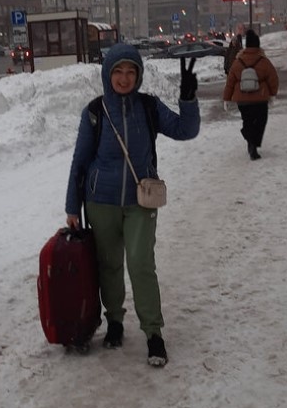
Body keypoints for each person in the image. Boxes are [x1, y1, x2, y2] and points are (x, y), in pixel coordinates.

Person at [64, 43, 200, 367]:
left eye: (131, 72)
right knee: (109, 265)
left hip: (140, 200)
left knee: (140, 264)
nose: (124, 78)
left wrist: (188, 98)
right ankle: (114, 321)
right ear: (107, 74)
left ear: (138, 76)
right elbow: (80, 162)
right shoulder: (95, 112)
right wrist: (72, 207)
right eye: (118, 72)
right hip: (101, 201)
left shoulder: (148, 107)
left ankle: (153, 333)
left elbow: (186, 130)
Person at [223, 29, 279, 161]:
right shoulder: (264, 61)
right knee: (261, 121)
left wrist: (227, 98)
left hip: (242, 100)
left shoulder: (238, 62)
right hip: (260, 98)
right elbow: (273, 79)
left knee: (247, 120)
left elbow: (230, 82)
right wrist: (272, 94)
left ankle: (249, 139)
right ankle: (253, 143)